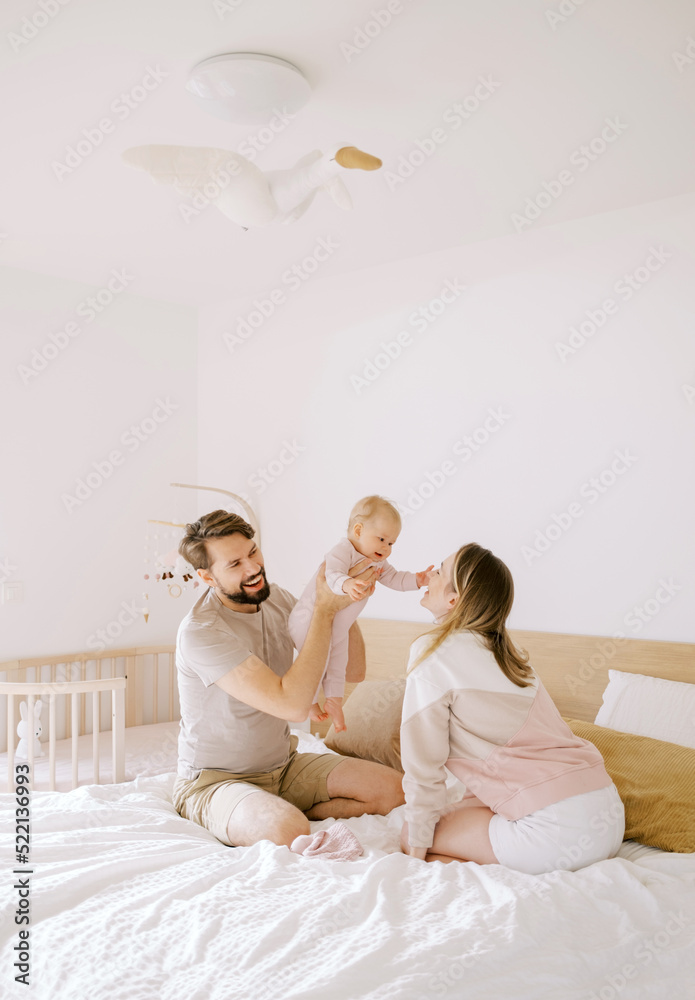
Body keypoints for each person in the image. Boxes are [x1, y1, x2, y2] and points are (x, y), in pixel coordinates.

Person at [172, 509, 404, 850]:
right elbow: (293, 707)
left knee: (397, 789)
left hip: (284, 767)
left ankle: (277, 806)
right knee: (287, 830)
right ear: (207, 577)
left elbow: (353, 671)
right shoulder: (202, 632)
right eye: (234, 564)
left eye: (253, 552)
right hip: (215, 781)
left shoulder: (277, 600)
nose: (253, 568)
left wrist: (344, 605)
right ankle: (270, 812)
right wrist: (324, 609)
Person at [400, 543, 625, 874]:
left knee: (414, 832)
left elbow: (422, 762)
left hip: (556, 830)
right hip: (608, 815)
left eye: (440, 570)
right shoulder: (512, 656)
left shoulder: (432, 651)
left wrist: (415, 850)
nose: (430, 573)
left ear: (454, 599)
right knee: (453, 814)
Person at [288, 495, 433, 733]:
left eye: (392, 543)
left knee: (338, 664)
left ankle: (334, 702)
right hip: (308, 622)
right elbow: (331, 575)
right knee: (317, 662)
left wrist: (417, 580)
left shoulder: (377, 562)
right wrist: (347, 584)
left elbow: (395, 578)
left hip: (338, 627)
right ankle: (310, 702)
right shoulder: (343, 550)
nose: (386, 548)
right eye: (382, 539)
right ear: (358, 530)